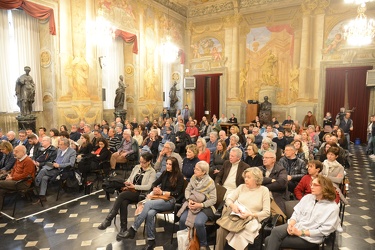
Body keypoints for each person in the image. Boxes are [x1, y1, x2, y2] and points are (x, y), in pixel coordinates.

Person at [118, 157, 184, 250]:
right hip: (160, 198)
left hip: (171, 200)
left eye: (170, 164)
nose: (168, 166)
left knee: (148, 204)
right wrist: (155, 188)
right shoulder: (165, 173)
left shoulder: (179, 176)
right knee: (150, 213)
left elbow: (177, 192)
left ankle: (133, 229)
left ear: (175, 166)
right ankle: (151, 240)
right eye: (167, 164)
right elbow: (154, 183)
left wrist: (163, 192)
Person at [265, 175, 340, 250]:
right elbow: (296, 213)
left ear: (324, 187)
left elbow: (324, 231)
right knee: (275, 231)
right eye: (311, 184)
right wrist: (291, 223)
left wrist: (301, 232)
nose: (311, 187)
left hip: (309, 238)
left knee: (268, 240)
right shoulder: (307, 198)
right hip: (297, 226)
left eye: (315, 185)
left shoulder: (332, 208)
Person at [97, 152, 156, 235]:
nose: (141, 164)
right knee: (123, 202)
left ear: (149, 161)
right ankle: (123, 228)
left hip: (141, 194)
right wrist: (128, 184)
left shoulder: (152, 172)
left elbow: (148, 187)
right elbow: (130, 179)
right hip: (131, 191)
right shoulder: (136, 167)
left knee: (122, 195)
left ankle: (109, 218)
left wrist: (134, 187)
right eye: (140, 161)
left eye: (144, 162)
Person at [216, 167, 271, 250]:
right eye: (245, 177)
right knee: (221, 230)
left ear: (256, 178)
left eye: (249, 177)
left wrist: (251, 215)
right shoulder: (241, 187)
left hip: (251, 219)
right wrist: (233, 206)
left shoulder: (264, 190)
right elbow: (228, 199)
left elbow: (267, 212)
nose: (246, 179)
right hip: (236, 216)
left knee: (240, 234)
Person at [178, 161, 217, 250]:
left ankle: (203, 244)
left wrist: (200, 204)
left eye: (197, 169)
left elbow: (213, 200)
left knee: (199, 223)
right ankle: (185, 242)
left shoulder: (210, 182)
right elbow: (187, 190)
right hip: (192, 203)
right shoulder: (193, 178)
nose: (194, 170)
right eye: (195, 168)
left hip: (204, 206)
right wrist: (189, 199)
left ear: (204, 172)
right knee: (182, 220)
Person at [35, 138, 76, 202]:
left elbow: (71, 164)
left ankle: (35, 186)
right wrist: (53, 163)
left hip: (62, 170)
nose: (59, 146)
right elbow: (56, 159)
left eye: (61, 144)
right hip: (54, 167)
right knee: (44, 178)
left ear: (66, 145)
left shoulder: (72, 151)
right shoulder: (59, 150)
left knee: (43, 170)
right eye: (59, 144)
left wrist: (59, 165)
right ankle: (42, 196)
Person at [0, 145, 36, 210]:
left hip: (23, 183)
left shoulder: (28, 161)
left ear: (23, 152)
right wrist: (10, 175)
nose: (14, 153)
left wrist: (12, 178)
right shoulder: (18, 159)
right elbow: (14, 169)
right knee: (1, 191)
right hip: (15, 181)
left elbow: (26, 175)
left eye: (16, 151)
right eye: (14, 151)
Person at [258, 151, 288, 218]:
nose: (264, 159)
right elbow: (255, 180)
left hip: (275, 196)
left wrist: (263, 187)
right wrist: (270, 180)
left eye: (267, 158)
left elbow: (281, 183)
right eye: (263, 157)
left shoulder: (281, 170)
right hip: (259, 196)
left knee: (280, 218)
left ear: (273, 159)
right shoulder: (259, 169)